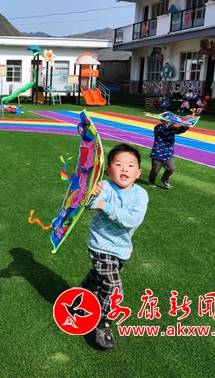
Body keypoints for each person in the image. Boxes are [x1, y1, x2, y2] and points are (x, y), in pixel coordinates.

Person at [81, 143, 149, 349]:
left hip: (121, 249)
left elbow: (132, 220)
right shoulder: (105, 187)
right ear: (109, 170)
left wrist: (105, 206)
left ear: (138, 173)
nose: (124, 169)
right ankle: (103, 324)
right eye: (118, 165)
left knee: (100, 278)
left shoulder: (140, 195)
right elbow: (89, 204)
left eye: (130, 165)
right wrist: (93, 193)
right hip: (100, 246)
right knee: (112, 287)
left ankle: (82, 292)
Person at [148, 121, 189, 189]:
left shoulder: (172, 129)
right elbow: (161, 129)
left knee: (171, 168)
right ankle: (151, 180)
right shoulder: (158, 127)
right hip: (158, 153)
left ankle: (165, 179)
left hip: (168, 153)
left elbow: (180, 130)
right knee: (155, 171)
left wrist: (185, 125)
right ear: (162, 120)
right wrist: (171, 123)